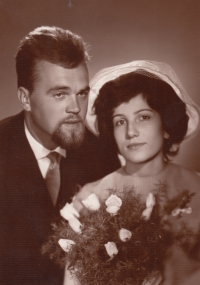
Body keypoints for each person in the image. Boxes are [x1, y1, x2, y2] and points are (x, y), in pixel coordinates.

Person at [0, 26, 120, 285]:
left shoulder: (104, 158)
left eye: (82, 93)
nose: (76, 108)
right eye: (60, 94)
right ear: (25, 98)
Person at [71, 60, 200, 285]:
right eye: (120, 122)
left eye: (143, 117)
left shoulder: (197, 188)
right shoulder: (90, 198)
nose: (131, 132)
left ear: (166, 127)